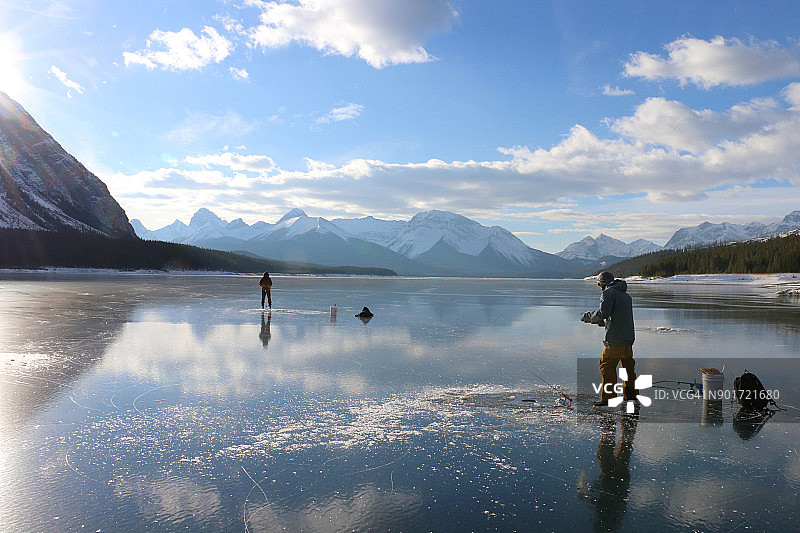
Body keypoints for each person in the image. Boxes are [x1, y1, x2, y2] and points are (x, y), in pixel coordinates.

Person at [581, 271, 636, 407]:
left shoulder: (608, 293)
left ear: (603, 283)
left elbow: (604, 313)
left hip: (615, 340)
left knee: (606, 367)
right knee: (627, 369)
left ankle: (608, 399)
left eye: (599, 284)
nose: (600, 287)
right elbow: (616, 317)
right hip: (628, 339)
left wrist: (588, 316)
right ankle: (630, 396)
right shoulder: (626, 296)